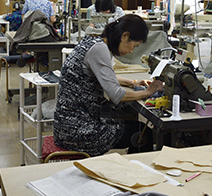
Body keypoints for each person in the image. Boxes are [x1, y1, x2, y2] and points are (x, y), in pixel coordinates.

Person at [54, 14, 164, 156]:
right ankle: (136, 169)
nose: (131, 51)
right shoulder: (99, 49)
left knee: (131, 125)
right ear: (125, 36)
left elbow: (104, 76)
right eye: (134, 46)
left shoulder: (93, 42)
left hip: (66, 125)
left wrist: (133, 83)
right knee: (142, 133)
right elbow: (116, 95)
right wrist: (147, 92)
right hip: (77, 131)